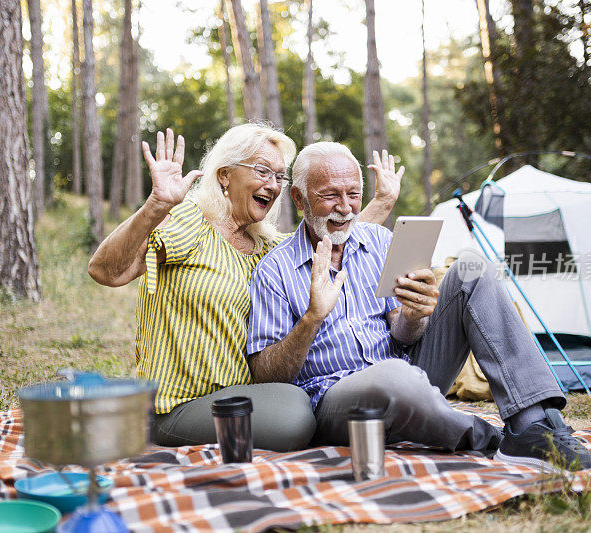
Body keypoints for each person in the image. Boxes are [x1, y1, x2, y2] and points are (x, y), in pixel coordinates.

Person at [246, 141, 591, 470]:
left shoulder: (380, 241)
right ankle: (486, 437)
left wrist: (416, 316)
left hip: (408, 372)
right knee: (394, 377)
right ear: (299, 197)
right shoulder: (274, 271)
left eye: (354, 194)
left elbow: (402, 334)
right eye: (329, 196)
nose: (345, 208)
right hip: (338, 401)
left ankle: (530, 424)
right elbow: (266, 375)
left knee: (471, 270)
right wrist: (312, 318)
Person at [88, 125, 402, 451]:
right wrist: (156, 205)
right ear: (225, 175)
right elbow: (107, 272)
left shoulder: (265, 246)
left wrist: (380, 202)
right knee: (296, 416)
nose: (272, 185)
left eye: (279, 177)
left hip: (244, 396)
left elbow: (332, 236)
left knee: (301, 399)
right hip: (176, 405)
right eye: (262, 171)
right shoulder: (193, 224)